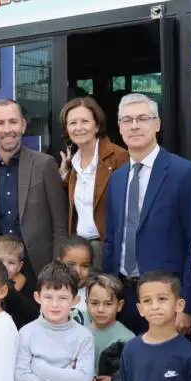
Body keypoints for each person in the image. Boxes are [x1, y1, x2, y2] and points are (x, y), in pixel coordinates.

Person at [103, 94, 191, 335]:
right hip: (124, 297)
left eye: (142, 118)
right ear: (119, 127)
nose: (134, 125)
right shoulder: (116, 178)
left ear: (157, 124)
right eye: (127, 120)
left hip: (165, 300)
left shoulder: (184, 173)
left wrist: (186, 305)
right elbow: (111, 240)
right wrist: (108, 292)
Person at [0, 98, 67, 288]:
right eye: (0, 123)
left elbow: (60, 225)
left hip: (40, 271)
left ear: (23, 125)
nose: (7, 129)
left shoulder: (45, 165)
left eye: (13, 122)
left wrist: (55, 270)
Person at [59, 96, 129, 267]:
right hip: (80, 249)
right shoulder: (73, 164)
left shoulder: (119, 157)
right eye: (72, 123)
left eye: (85, 121)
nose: (79, 127)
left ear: (97, 125)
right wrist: (63, 174)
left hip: (106, 247)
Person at [58, 236, 95, 326]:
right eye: (70, 265)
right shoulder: (51, 292)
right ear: (59, 262)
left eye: (85, 266)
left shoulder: (95, 293)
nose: (78, 271)